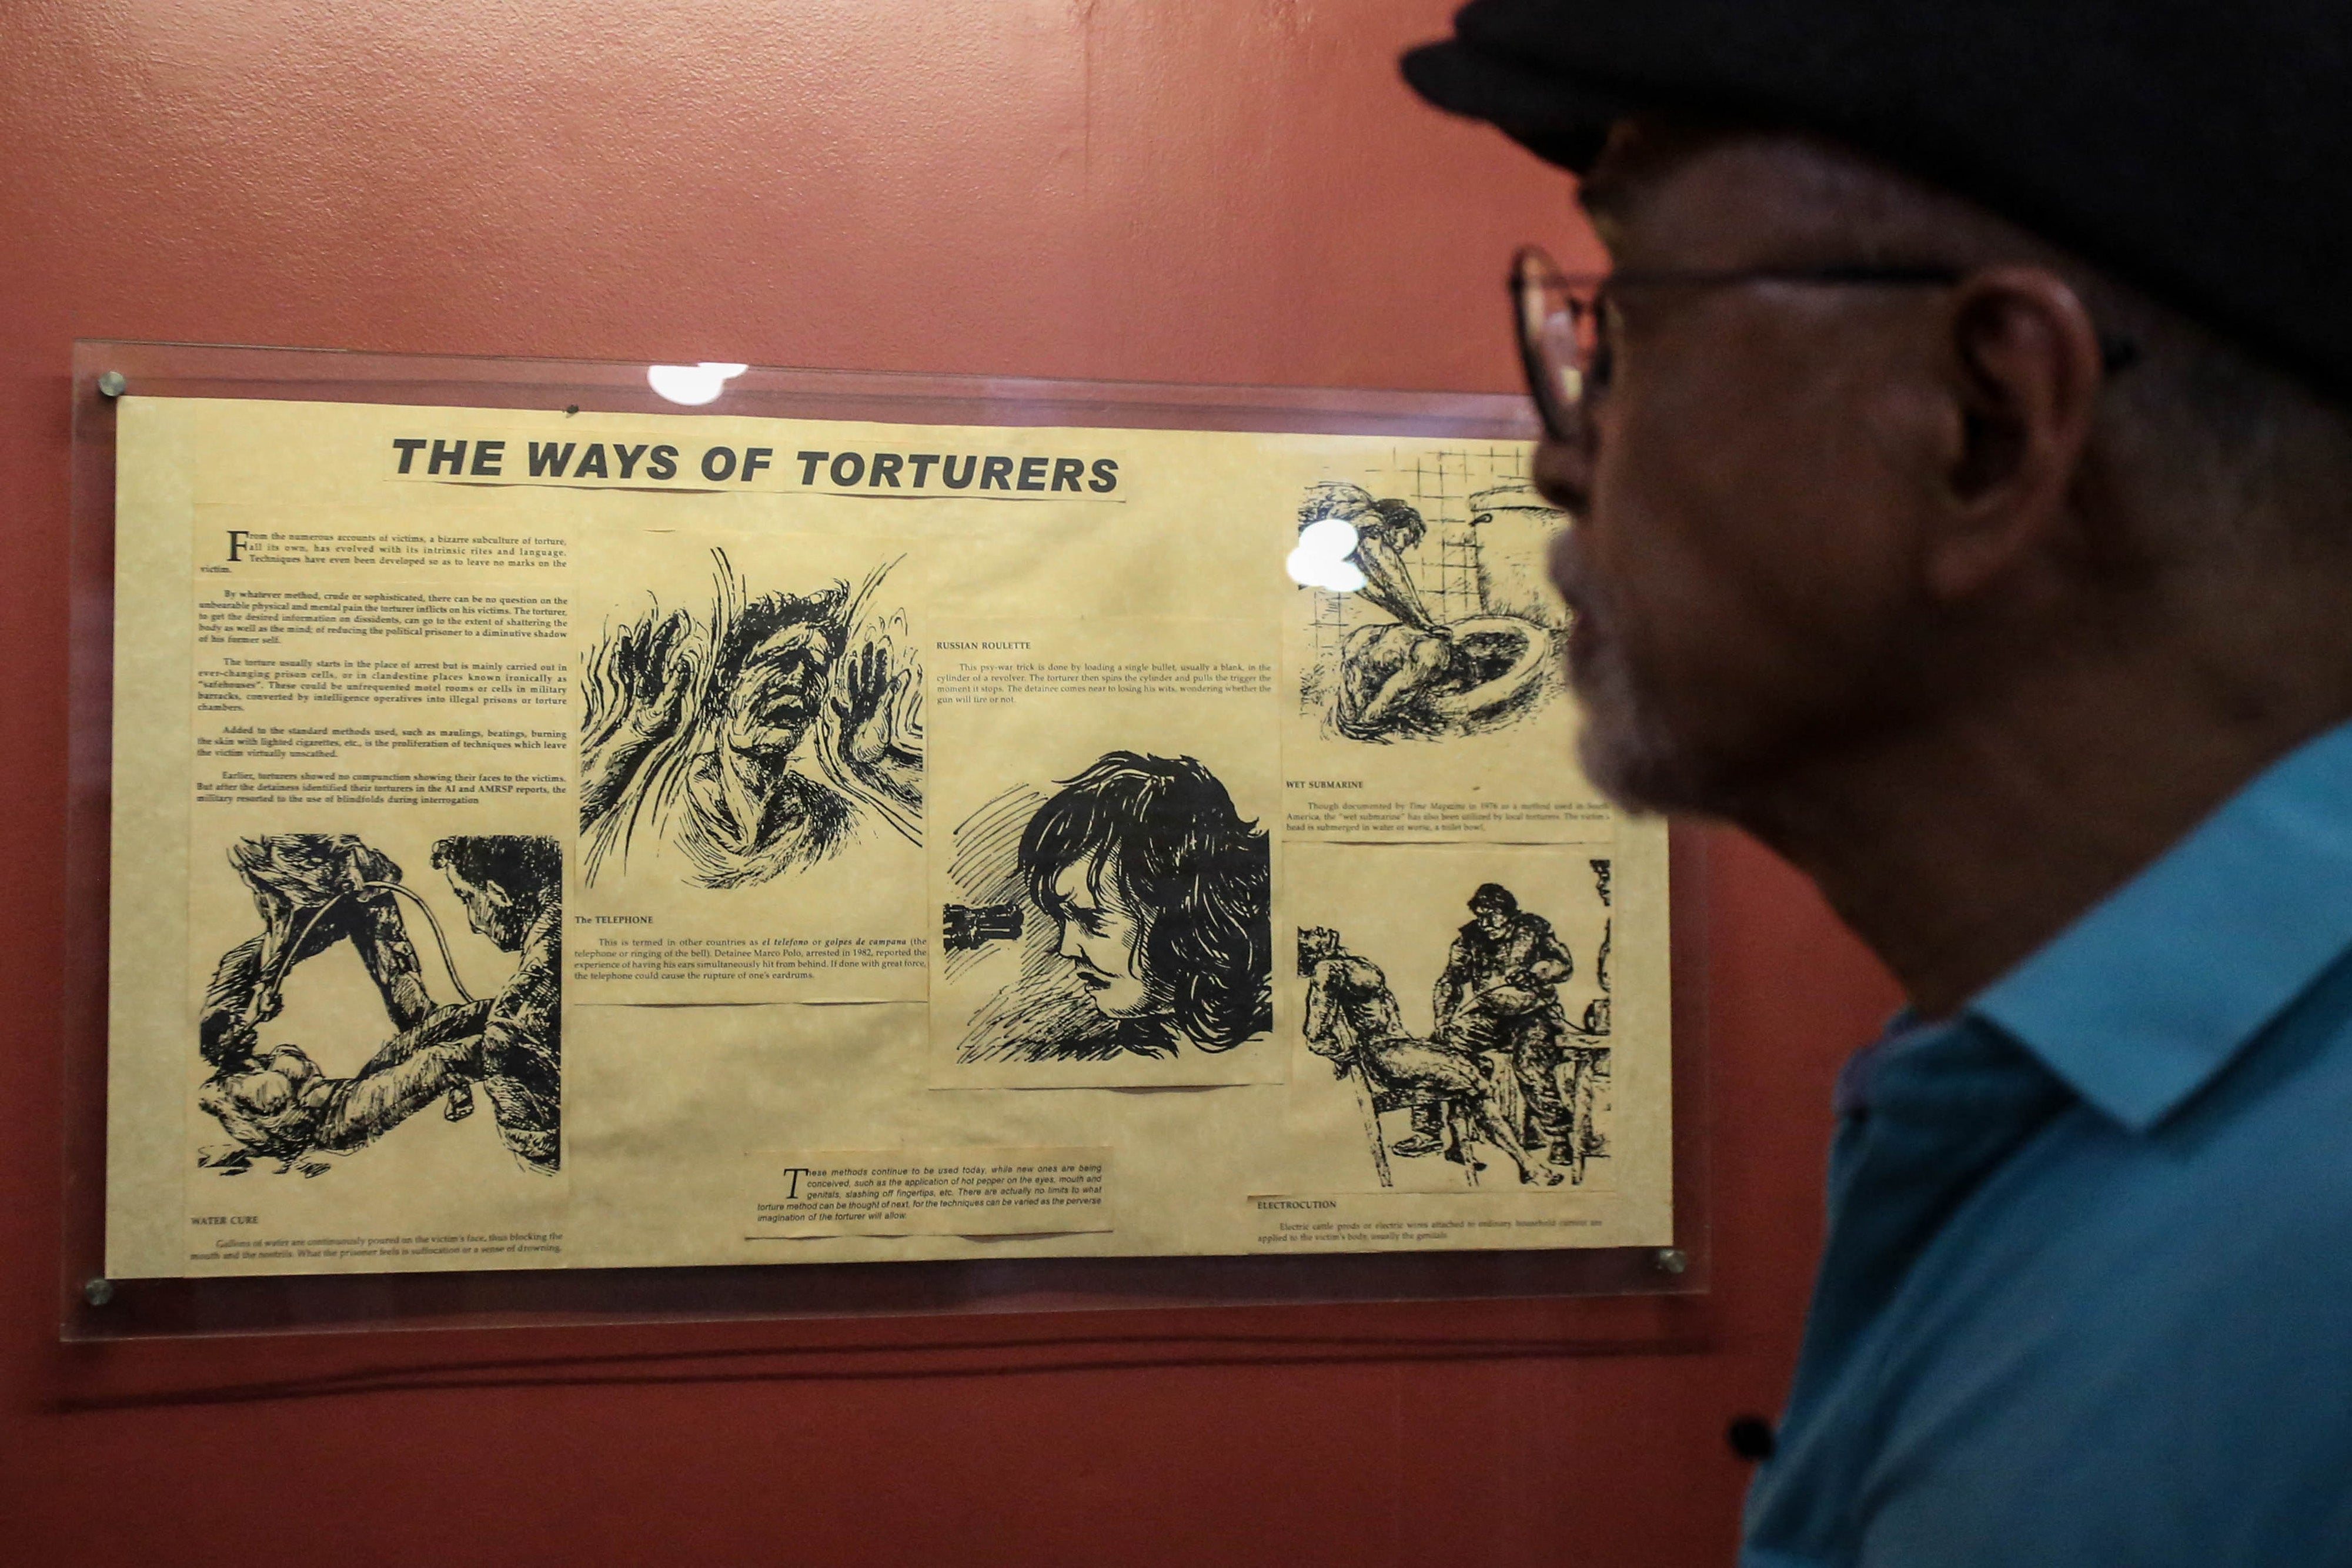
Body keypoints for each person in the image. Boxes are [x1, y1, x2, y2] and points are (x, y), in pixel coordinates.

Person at [1403, 2, 2352, 1562]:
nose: (1560, 456)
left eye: (1625, 331)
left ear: (1985, 422)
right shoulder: (2092, 1133)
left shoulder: (2292, 1294)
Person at [580, 551, 921, 889]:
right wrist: (630, 743)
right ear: (728, 684)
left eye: (816, 666)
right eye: (779, 660)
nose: (799, 679)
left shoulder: (830, 817)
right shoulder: (658, 800)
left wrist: (876, 765)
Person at [1017, 751, 1272, 1057]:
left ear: (1184, 912)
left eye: (1091, 919)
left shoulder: (1272, 1037)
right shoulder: (1138, 1049)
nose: (1066, 948)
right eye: (1063, 919)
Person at [1299, 925, 1558, 1186]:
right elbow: (1316, 1035)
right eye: (1304, 935)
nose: (1313, 931)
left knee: (1478, 1064)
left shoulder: (1345, 963)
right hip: (1388, 1055)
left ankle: (1459, 1145)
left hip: (1399, 1049)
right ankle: (1527, 1165)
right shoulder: (1326, 970)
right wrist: (1347, 1056)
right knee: (1474, 1078)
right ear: (1308, 951)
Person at [1429, 883, 1581, 1165]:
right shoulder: (1470, 937)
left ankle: (1560, 1137)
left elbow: (1563, 964)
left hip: (1532, 1014)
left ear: (1508, 912)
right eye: (1480, 915)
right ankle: (1438, 1133)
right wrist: (1443, 1017)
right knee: (1439, 1050)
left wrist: (1539, 972)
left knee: (1530, 1066)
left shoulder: (1533, 929)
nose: (1485, 923)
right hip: (1489, 1016)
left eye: (1492, 915)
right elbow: (1450, 980)